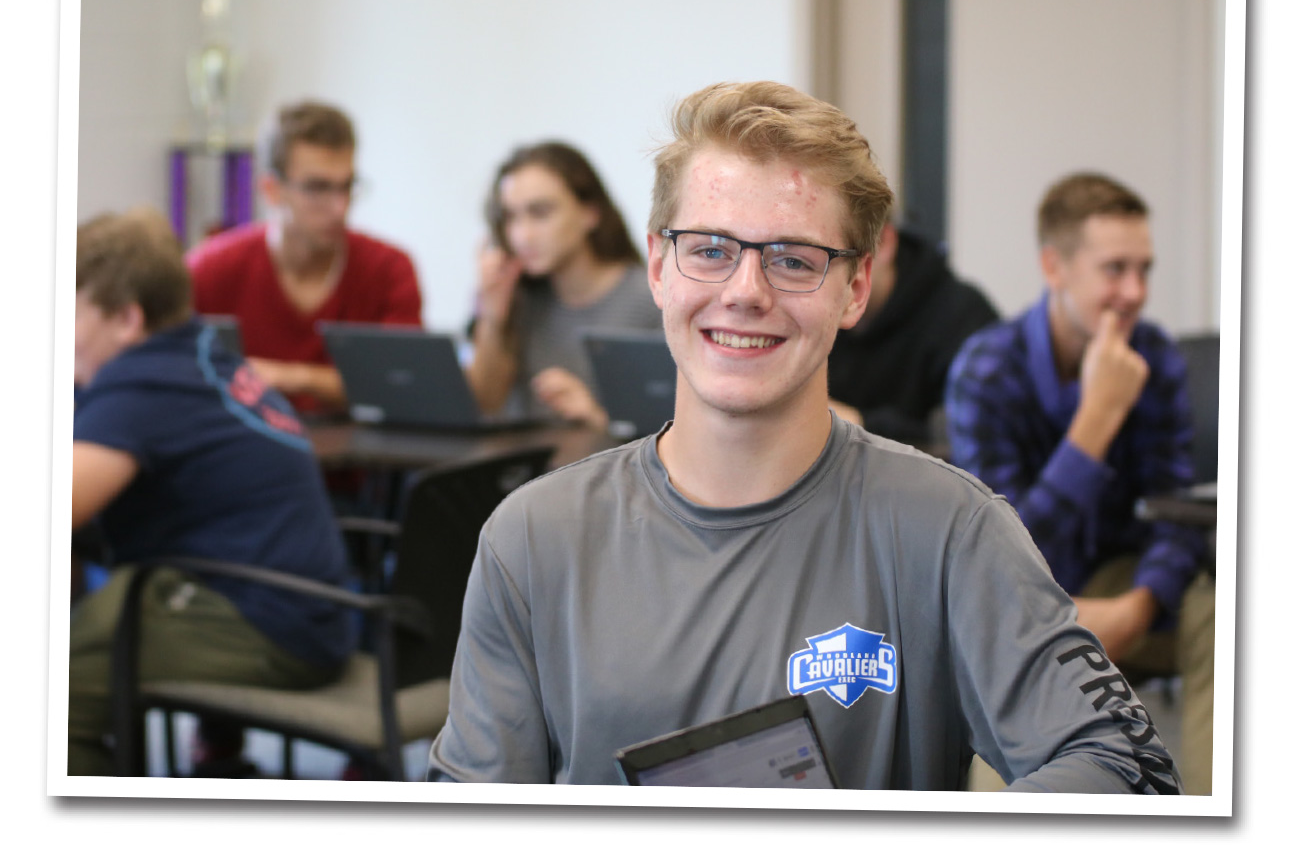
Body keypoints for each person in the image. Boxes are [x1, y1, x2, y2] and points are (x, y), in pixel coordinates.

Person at [427, 83, 1181, 792]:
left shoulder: (950, 531)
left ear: (853, 289)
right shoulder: (531, 541)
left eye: (793, 259)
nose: (746, 292)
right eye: (711, 249)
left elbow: (1123, 763)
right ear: (659, 265)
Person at [944, 172, 1214, 795]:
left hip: (1121, 591)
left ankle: (1209, 817)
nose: (1135, 292)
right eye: (1114, 269)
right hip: (1022, 599)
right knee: (989, 641)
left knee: (1218, 610)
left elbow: (1176, 517)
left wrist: (1137, 607)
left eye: (1144, 270)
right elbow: (1003, 551)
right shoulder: (987, 369)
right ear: (1055, 267)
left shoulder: (1157, 358)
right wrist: (1096, 420)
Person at [70, 208, 355, 777]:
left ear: (127, 319)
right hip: (316, 611)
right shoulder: (200, 355)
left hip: (268, 626)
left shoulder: (143, 384)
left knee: (45, 690)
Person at [186, 100, 423, 415]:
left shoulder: (389, 269)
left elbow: (405, 386)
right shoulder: (208, 271)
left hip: (359, 461)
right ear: (271, 190)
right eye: (317, 188)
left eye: (347, 186)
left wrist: (292, 377)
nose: (340, 207)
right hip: (245, 459)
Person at [465, 141, 661, 431]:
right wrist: (492, 318)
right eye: (511, 217)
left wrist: (596, 418)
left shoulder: (649, 300)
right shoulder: (516, 295)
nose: (522, 235)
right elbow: (484, 404)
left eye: (540, 213)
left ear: (590, 213)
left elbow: (668, 433)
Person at [827, 220, 998, 444]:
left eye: (842, 255)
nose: (828, 275)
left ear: (884, 243)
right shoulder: (807, 310)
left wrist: (858, 423)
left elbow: (972, 439)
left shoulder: (963, 316)